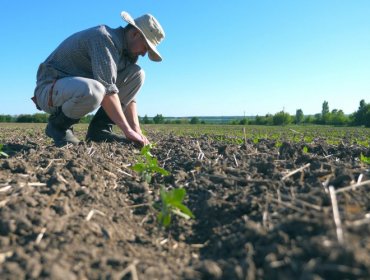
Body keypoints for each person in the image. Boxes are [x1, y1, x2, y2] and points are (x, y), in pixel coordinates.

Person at [32, 11, 165, 147]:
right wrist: (127, 130)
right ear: (135, 34)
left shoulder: (127, 54)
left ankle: (99, 131)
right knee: (94, 90)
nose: (144, 54)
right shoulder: (104, 38)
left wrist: (136, 130)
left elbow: (128, 97)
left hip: (75, 90)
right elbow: (107, 90)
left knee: (137, 74)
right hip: (49, 89)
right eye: (146, 47)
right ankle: (59, 126)